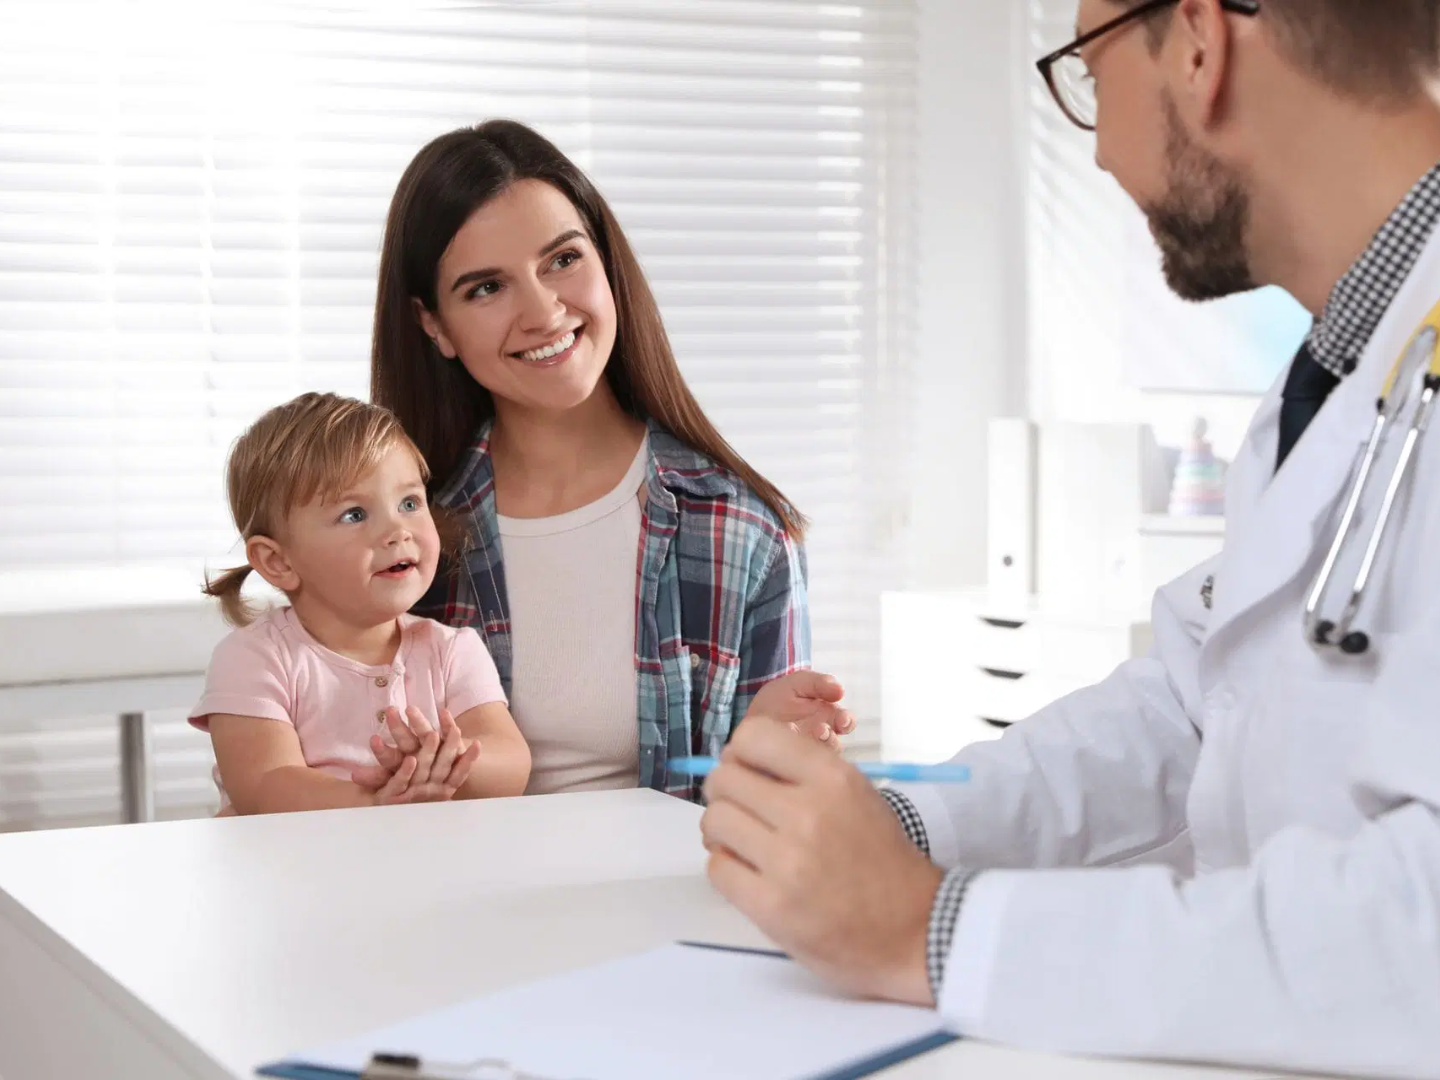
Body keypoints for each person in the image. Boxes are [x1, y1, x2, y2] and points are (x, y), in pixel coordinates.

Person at [699, 1, 1440, 1075]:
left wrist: (929, 935)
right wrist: (892, 827)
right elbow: (1197, 700)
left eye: (1090, 76)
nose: (1095, 150)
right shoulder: (1345, 367)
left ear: (1197, 41)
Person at [370, 120, 853, 800]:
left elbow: (780, 828)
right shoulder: (397, 544)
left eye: (562, 260)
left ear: (606, 263)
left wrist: (778, 762)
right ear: (434, 326)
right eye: (486, 288)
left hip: (662, 905)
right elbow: (305, 774)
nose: (543, 311)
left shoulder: (740, 532)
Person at [192, 392, 531, 815]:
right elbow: (264, 785)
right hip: (292, 874)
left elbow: (512, 765)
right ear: (278, 562)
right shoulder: (255, 658)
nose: (397, 530)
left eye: (409, 503)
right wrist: (377, 800)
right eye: (354, 514)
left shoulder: (452, 650)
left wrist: (443, 763)